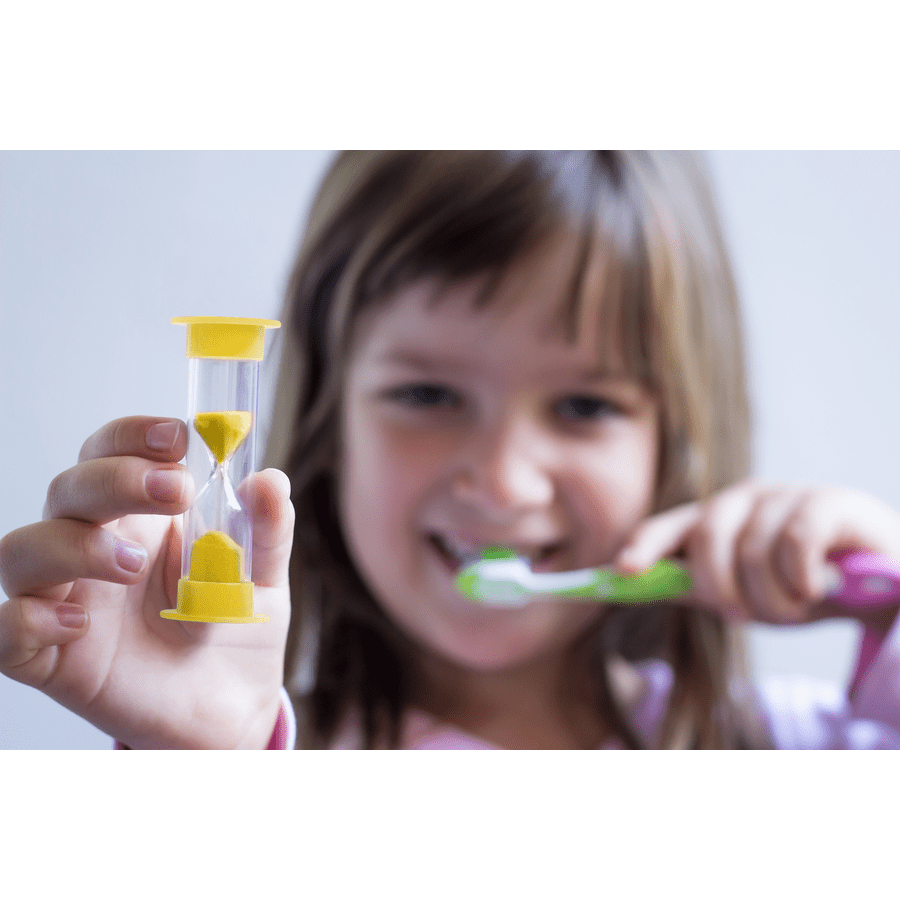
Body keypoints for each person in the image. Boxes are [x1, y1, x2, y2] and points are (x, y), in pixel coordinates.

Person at [2, 151, 900, 749]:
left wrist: (890, 605)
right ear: (328, 424)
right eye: (427, 395)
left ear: (676, 442)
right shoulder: (253, 746)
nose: (503, 483)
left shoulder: (784, 745)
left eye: (585, 404)